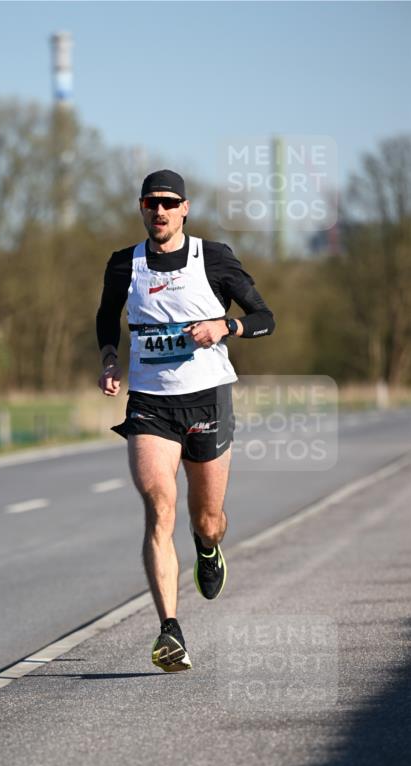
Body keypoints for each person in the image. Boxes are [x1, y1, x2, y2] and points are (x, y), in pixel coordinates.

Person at [96, 169, 275, 672]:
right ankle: (170, 630)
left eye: (169, 203)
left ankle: (208, 547)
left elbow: (265, 317)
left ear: (185, 209)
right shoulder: (124, 263)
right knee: (159, 505)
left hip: (207, 400)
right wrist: (109, 357)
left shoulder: (212, 257)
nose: (160, 211)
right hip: (150, 404)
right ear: (141, 207)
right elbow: (106, 316)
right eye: (151, 202)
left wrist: (226, 325)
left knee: (207, 519)